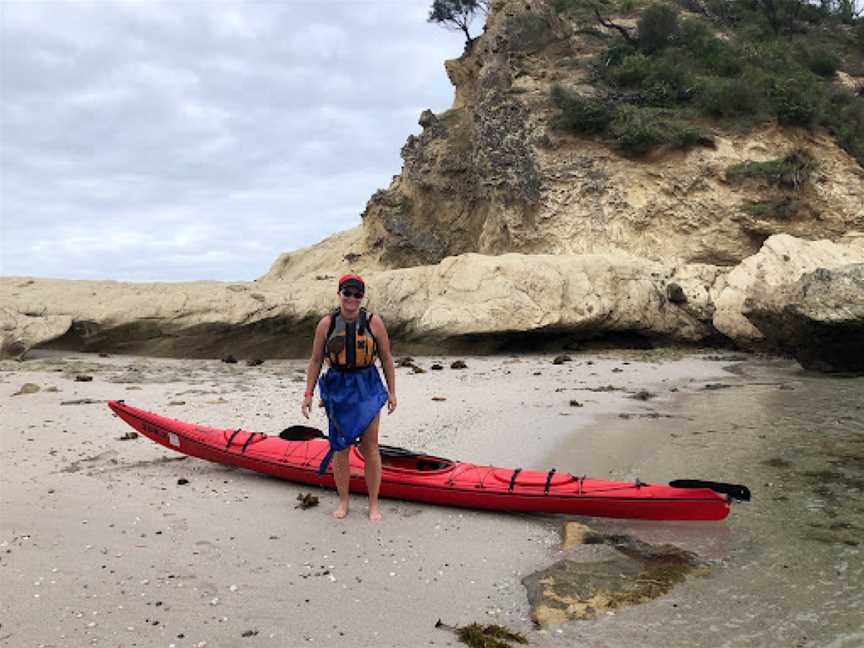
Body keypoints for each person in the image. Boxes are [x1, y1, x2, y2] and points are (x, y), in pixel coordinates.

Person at [301, 273, 397, 521]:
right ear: (339, 294)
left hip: (367, 385)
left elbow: (386, 358)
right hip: (339, 387)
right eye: (347, 293)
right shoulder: (327, 324)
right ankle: (344, 501)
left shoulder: (374, 323)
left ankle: (373, 504)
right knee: (340, 448)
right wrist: (308, 394)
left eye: (357, 294)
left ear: (362, 297)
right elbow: (314, 361)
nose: (352, 299)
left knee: (370, 446)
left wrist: (392, 392)